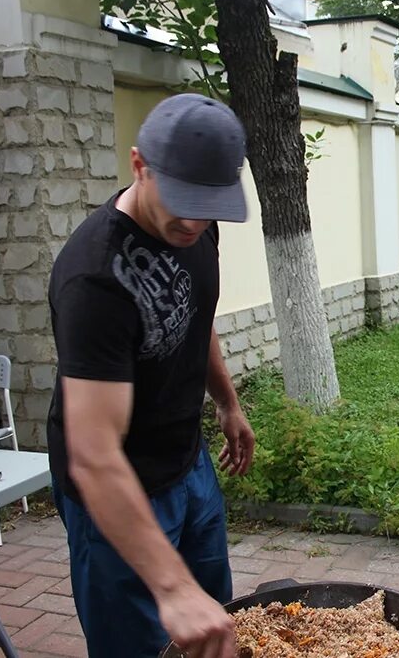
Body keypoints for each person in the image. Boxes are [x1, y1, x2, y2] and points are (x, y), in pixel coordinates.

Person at [47, 93, 257, 658]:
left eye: (208, 204)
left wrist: (227, 402)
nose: (193, 220)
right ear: (139, 165)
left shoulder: (198, 225)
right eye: (182, 199)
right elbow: (93, 454)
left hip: (188, 466)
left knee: (214, 629)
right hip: (115, 489)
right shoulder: (94, 279)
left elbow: (193, 316)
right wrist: (169, 586)